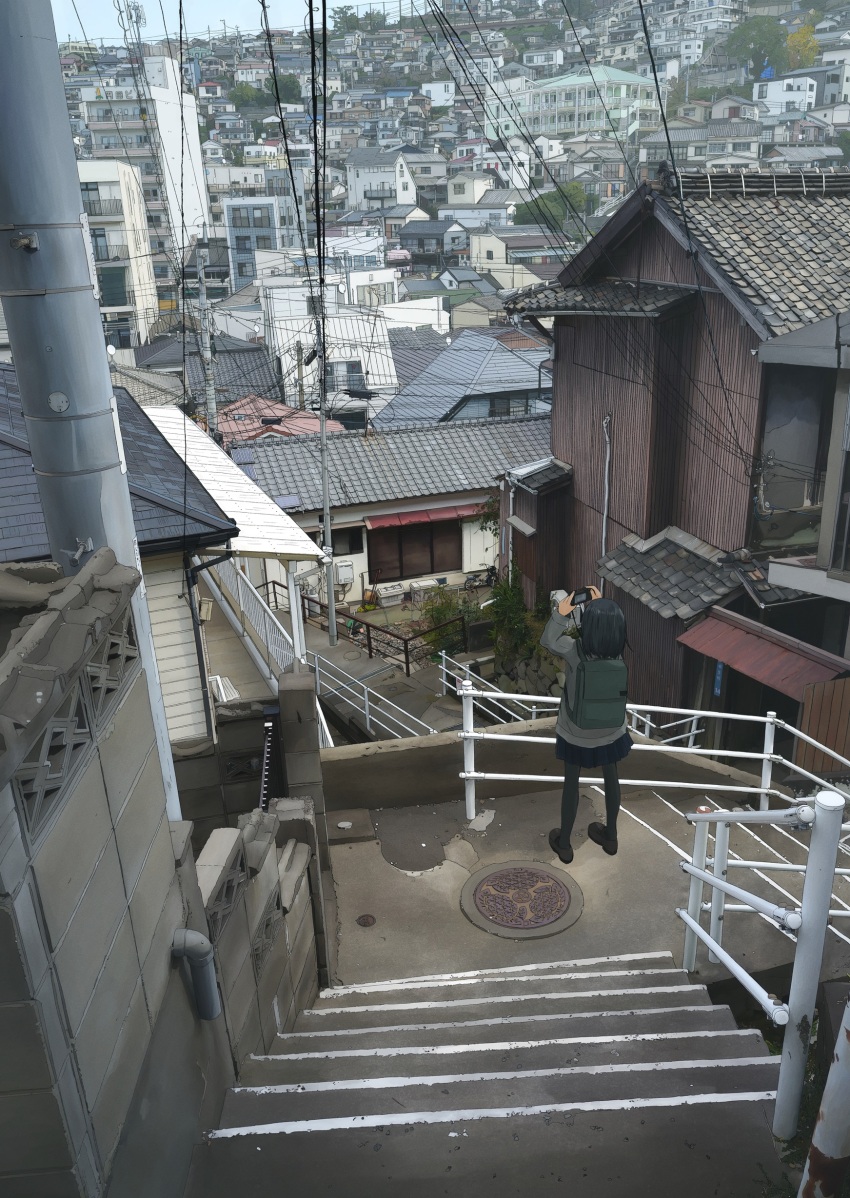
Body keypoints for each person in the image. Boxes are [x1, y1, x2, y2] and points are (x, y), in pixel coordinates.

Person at [541, 585, 632, 865]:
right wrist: (601, 606)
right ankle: (611, 837)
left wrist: (563, 611)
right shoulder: (617, 652)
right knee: (611, 776)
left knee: (572, 781)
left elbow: (548, 639)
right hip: (612, 729)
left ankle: (565, 843)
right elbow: (605, 626)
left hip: (576, 731)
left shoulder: (575, 651)